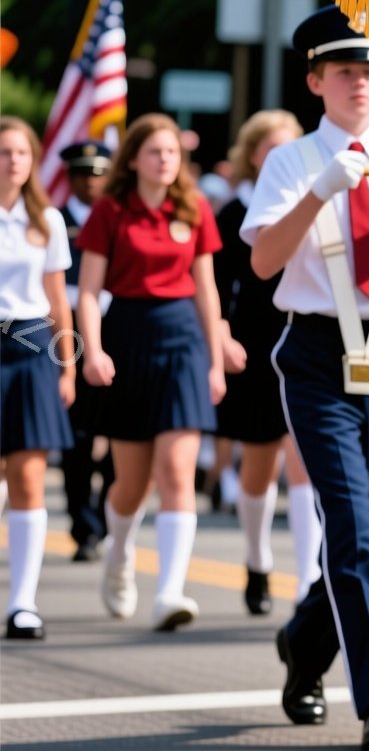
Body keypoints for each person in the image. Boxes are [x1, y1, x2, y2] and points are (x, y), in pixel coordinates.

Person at [242, 7, 369, 749]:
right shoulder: (294, 161)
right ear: (315, 81)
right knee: (354, 529)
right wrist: (323, 189)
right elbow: (265, 264)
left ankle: (305, 643)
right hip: (318, 354)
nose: (359, 82)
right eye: (343, 71)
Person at [77, 113, 225, 633]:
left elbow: (206, 288)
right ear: (134, 158)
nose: (165, 160)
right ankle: (119, 552)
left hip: (183, 338)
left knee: (177, 472)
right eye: (154, 151)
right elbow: (90, 292)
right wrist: (91, 350)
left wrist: (215, 355)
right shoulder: (110, 211)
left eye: (172, 152)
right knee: (130, 483)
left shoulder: (195, 207)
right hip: (128, 337)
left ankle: (170, 591)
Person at [215, 110, 312, 616]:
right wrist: (221, 336)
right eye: (268, 148)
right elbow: (213, 283)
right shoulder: (234, 213)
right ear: (252, 155)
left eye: (288, 147)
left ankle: (308, 579)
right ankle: (257, 561)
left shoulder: (314, 203)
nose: (278, 157)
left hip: (303, 335)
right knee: (258, 464)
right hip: (252, 343)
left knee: (302, 461)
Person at [0, 117, 78, 639]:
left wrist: (68, 366)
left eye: (22, 153)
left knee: (29, 479)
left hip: (30, 348)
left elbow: (58, 301)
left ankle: (23, 603)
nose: (13, 161)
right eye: (5, 152)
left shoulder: (46, 219)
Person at [57, 140, 113, 563]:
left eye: (98, 174)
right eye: (82, 174)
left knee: (121, 430)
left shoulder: (118, 219)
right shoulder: (55, 221)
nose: (90, 183)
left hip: (118, 328)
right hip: (70, 332)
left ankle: (107, 515)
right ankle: (83, 524)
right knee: (77, 435)